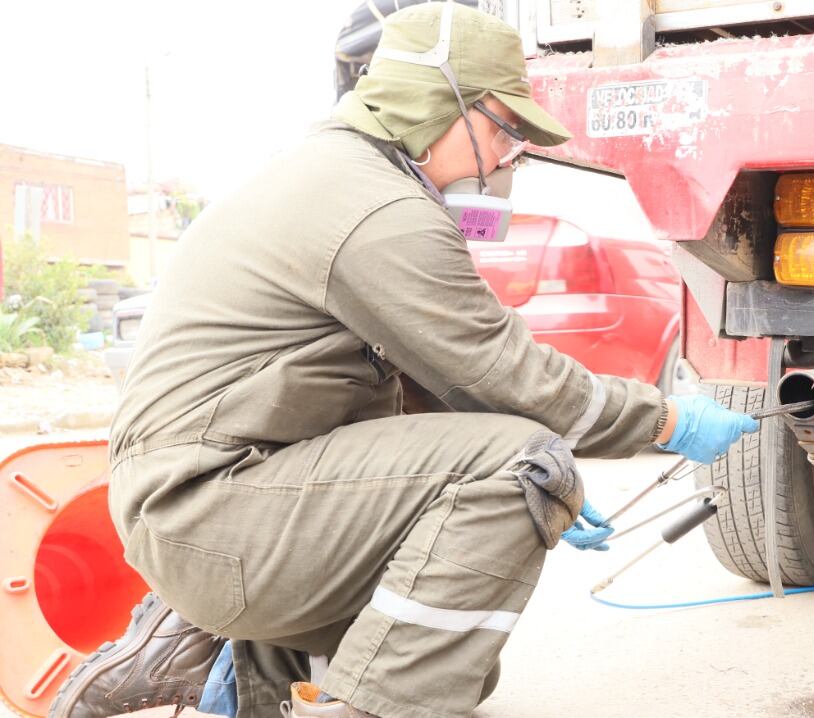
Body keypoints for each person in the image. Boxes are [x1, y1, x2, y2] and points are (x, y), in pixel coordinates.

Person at [48, 5, 758, 718]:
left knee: (449, 661)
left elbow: (429, 387)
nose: (509, 155)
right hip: (210, 512)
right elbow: (505, 372)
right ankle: (274, 673)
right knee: (498, 502)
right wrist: (665, 419)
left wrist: (545, 471)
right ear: (436, 101)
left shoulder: (339, 171)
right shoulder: (375, 207)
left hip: (220, 499)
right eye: (503, 128)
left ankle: (218, 672)